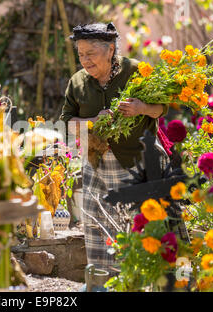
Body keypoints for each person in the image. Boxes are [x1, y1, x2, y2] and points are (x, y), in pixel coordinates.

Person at [60, 22, 169, 274]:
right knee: (98, 226)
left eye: (91, 54)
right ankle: (102, 282)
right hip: (96, 164)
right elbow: (66, 122)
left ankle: (139, 281)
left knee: (139, 228)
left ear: (110, 50)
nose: (85, 60)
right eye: (81, 54)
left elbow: (161, 108)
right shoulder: (77, 82)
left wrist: (142, 108)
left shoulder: (136, 71)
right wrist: (92, 122)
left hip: (137, 163)